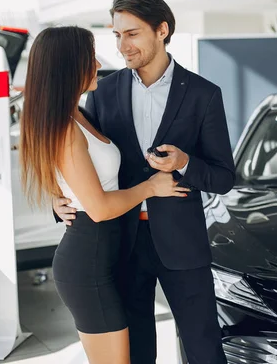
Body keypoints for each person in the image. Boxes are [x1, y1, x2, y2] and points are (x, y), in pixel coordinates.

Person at [53, 0, 235, 364]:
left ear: (162, 30)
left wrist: (185, 162)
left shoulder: (204, 94)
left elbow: (223, 178)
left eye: (132, 34)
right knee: (136, 352)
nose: (122, 46)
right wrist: (57, 197)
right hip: (120, 243)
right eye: (117, 35)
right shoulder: (103, 93)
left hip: (183, 245)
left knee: (204, 350)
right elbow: (77, 158)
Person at [19, 26, 182, 364]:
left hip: (106, 257)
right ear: (68, 65)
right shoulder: (65, 128)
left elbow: (70, 175)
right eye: (88, 57)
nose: (97, 63)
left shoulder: (76, 114)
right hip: (87, 267)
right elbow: (99, 208)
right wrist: (151, 187)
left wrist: (58, 194)